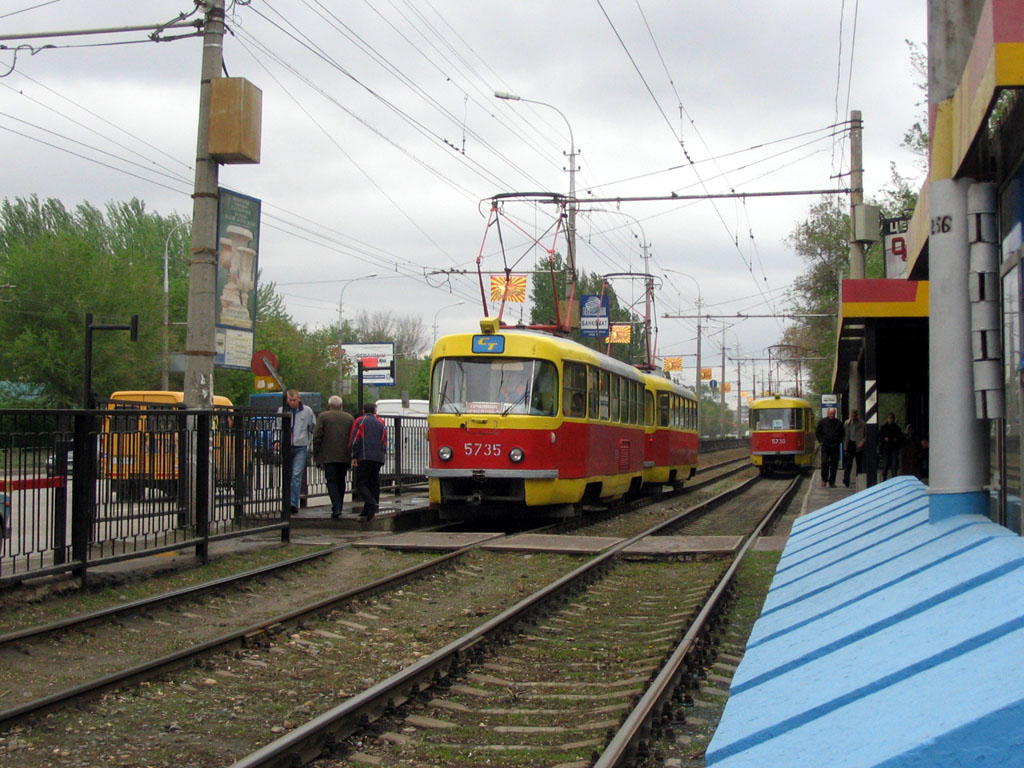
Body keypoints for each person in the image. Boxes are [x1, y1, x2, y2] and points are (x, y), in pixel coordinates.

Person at [312, 395, 354, 519]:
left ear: (329, 405)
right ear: (341, 406)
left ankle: (336, 506)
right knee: (341, 480)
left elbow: (317, 436)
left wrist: (316, 454)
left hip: (328, 455)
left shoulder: (323, 417)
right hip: (344, 455)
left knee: (331, 481)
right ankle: (339, 505)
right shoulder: (349, 418)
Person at [279, 389, 316, 515]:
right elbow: (277, 426)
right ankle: (287, 501)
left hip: (301, 446)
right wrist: (276, 441)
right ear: (287, 400)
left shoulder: (307, 411)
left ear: (299, 399)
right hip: (287, 445)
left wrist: (310, 442)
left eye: (294, 400)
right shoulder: (282, 410)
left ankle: (292, 503)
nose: (292, 403)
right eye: (290, 400)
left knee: (296, 474)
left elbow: (312, 427)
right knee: (287, 475)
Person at [349, 402, 387, 520]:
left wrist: (353, 455)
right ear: (375, 411)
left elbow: (355, 439)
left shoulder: (360, 421)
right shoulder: (381, 423)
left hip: (364, 456)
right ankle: (369, 510)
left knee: (361, 483)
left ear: (364, 411)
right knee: (374, 483)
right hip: (378, 457)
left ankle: (371, 502)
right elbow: (384, 441)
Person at [815, 407, 844, 488]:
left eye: (833, 414)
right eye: (830, 413)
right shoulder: (822, 422)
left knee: (834, 464)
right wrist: (820, 441)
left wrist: (839, 441)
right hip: (825, 446)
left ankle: (832, 482)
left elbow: (842, 434)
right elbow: (818, 432)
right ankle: (824, 479)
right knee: (824, 462)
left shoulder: (838, 423)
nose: (832, 415)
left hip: (835, 446)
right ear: (828, 413)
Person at [842, 408, 866, 487]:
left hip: (858, 444)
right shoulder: (847, 423)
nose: (853, 416)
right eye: (852, 415)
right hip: (850, 444)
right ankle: (846, 480)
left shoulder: (862, 424)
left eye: (854, 415)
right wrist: (845, 446)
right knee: (848, 463)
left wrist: (862, 442)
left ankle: (858, 480)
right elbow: (845, 436)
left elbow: (866, 435)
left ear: (857, 415)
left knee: (859, 464)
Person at [879, 412, 904, 481]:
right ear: (887, 419)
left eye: (892, 418)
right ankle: (884, 480)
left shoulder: (896, 428)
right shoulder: (883, 428)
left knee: (894, 465)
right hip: (886, 448)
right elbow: (879, 437)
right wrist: (884, 439)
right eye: (889, 418)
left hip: (894, 448)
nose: (890, 419)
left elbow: (901, 437)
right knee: (885, 465)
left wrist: (896, 440)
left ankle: (894, 480)